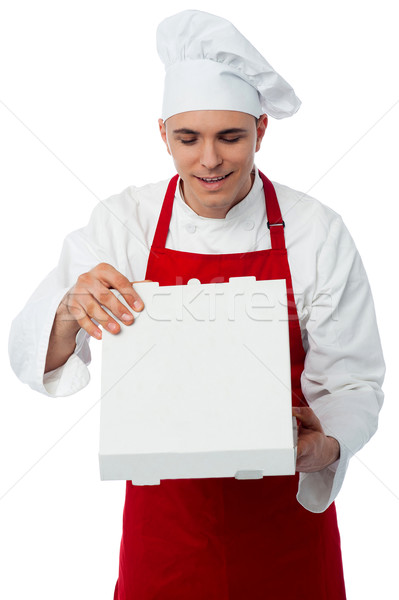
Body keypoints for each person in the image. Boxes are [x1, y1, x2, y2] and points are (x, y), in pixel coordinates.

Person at [9, 9, 385, 600]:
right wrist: (66, 311)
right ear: (162, 133)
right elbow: (36, 356)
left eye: (230, 137)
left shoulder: (316, 230)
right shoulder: (123, 222)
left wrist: (328, 444)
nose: (209, 159)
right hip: (165, 530)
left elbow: (355, 381)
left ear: (262, 130)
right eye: (188, 139)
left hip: (283, 521)